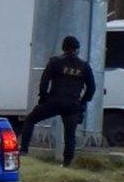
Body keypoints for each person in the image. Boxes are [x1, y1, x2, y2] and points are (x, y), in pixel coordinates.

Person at [20, 35, 95, 166]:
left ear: (63, 48)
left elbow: (44, 82)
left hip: (54, 102)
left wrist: (43, 99)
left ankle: (24, 151)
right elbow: (92, 88)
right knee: (69, 136)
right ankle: (66, 164)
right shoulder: (84, 66)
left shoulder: (55, 62)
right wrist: (82, 103)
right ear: (77, 49)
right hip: (72, 105)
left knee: (30, 120)